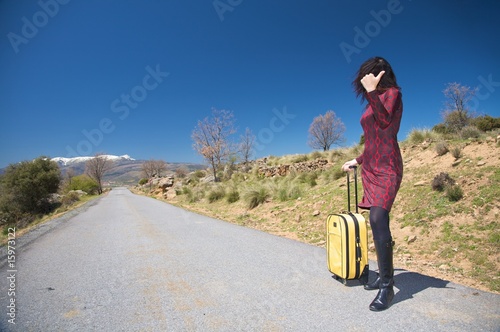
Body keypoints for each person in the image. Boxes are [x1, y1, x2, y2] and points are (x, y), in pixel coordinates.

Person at [342, 56, 403, 311]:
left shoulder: (393, 94)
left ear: (381, 74)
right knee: (376, 221)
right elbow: (372, 140)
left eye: (371, 74)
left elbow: (386, 125)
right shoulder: (373, 99)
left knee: (378, 218)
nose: (367, 79)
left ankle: (387, 288)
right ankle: (382, 275)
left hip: (388, 167)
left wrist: (371, 93)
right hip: (371, 167)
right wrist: (356, 160)